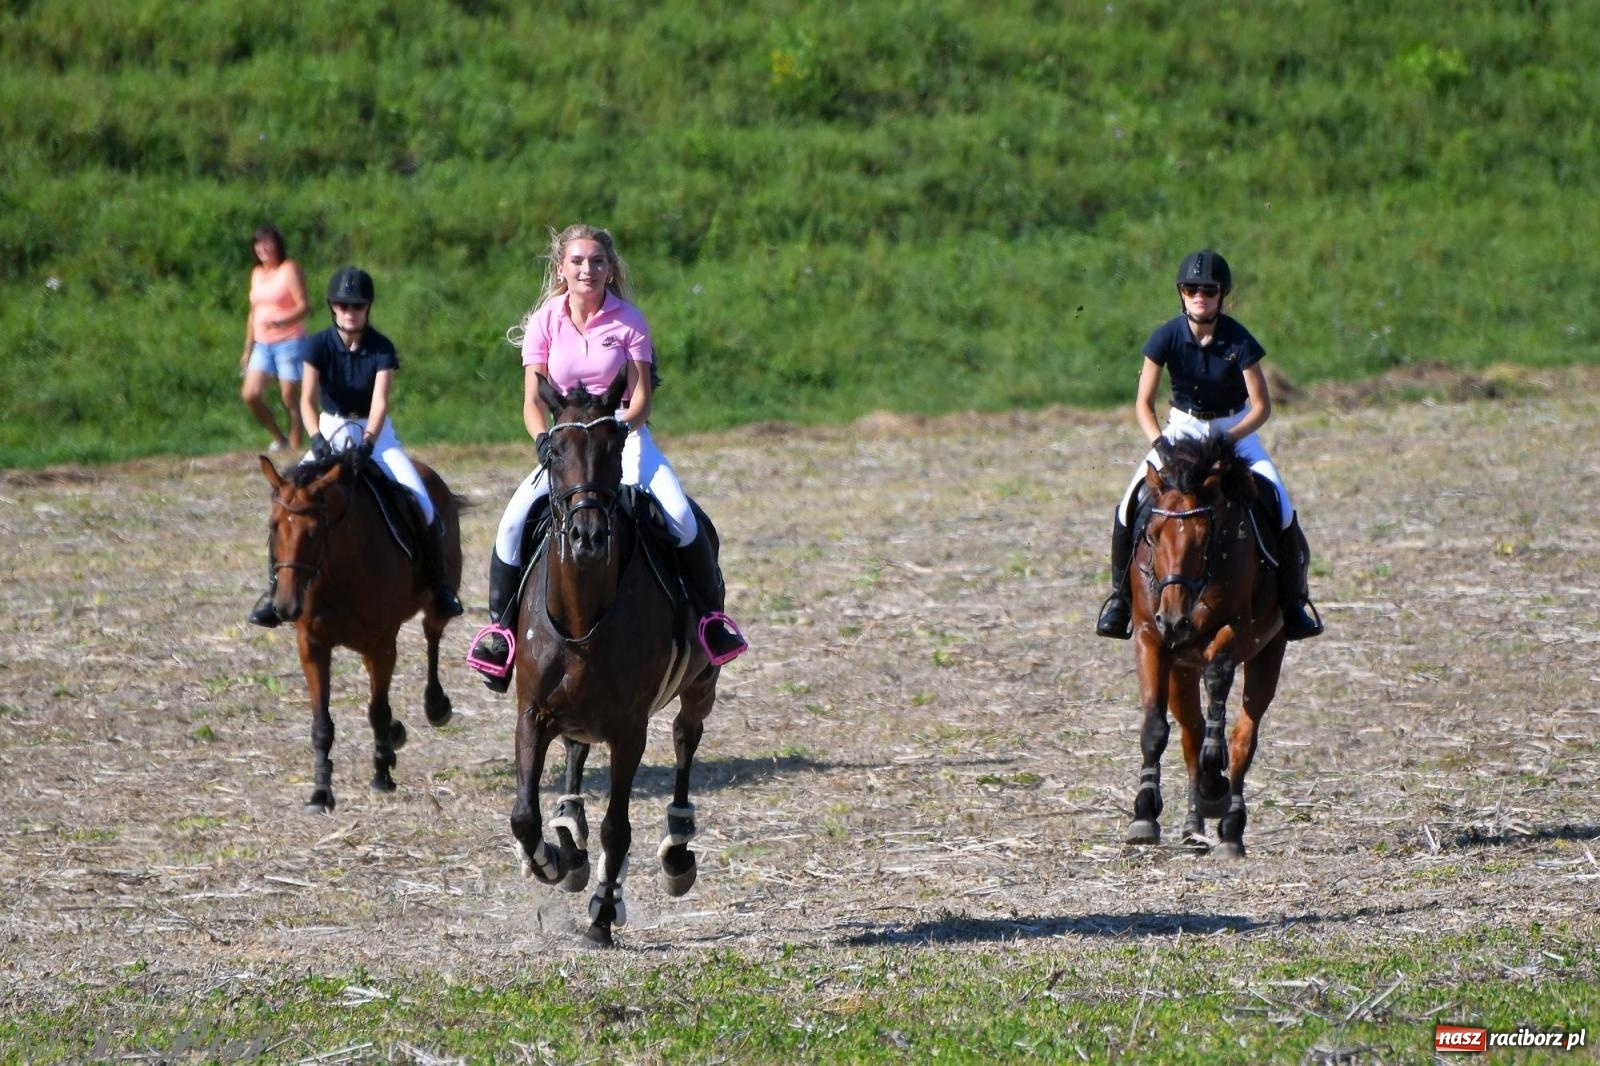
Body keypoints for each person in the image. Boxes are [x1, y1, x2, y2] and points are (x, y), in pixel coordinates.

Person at [466, 223, 747, 689]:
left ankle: (711, 623)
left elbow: (640, 400)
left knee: (679, 514)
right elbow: (532, 401)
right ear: (562, 268)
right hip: (568, 443)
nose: (587, 269)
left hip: (621, 435)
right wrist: (543, 441)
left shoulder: (629, 320)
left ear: (609, 268)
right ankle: (501, 633)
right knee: (514, 521)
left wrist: (616, 429)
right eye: (577, 261)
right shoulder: (544, 322)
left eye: (596, 261)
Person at [1096, 249, 1323, 642]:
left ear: (1222, 294)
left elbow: (1262, 406)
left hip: (1235, 431)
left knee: (1281, 506)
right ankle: (1119, 601)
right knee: (1128, 504)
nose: (1200, 296)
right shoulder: (1165, 336)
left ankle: (1292, 603)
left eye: (1209, 289)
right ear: (1181, 293)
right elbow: (1143, 404)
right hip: (1179, 431)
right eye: (1191, 288)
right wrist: (1160, 443)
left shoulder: (1239, 339)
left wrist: (1228, 438)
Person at [247, 266, 464, 627]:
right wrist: (315, 436)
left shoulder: (381, 348)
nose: (351, 312)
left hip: (375, 435)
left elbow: (380, 402)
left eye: (358, 306)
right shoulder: (317, 345)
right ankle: (275, 594)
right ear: (333, 307)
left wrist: (368, 442)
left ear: (367, 308)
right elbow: (306, 400)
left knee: (422, 501)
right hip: (328, 427)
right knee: (286, 504)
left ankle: (439, 586)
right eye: (344, 305)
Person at [239, 224, 310, 452]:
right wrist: (248, 347)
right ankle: (279, 438)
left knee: (290, 397)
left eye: (267, 243)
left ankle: (297, 444)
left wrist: (284, 321)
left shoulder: (289, 269)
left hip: (288, 340)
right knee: (250, 393)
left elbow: (304, 306)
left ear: (277, 245)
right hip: (262, 342)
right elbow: (253, 312)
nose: (263, 248)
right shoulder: (257, 274)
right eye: (258, 244)